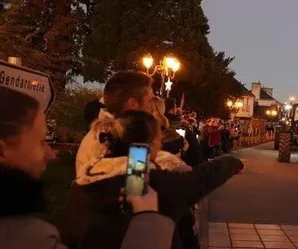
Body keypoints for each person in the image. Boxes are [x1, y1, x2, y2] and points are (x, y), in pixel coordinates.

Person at [0, 86, 175, 249]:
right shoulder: (26, 238)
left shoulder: (87, 180)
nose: (51, 154)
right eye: (40, 142)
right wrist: (147, 216)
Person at [65, 110, 244, 249]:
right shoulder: (143, 183)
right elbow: (200, 179)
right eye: (158, 139)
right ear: (148, 144)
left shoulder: (83, 183)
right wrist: (233, 162)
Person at [76, 71, 154, 177]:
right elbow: (136, 184)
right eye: (149, 101)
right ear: (133, 104)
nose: (152, 108)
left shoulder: (109, 134)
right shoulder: (113, 141)